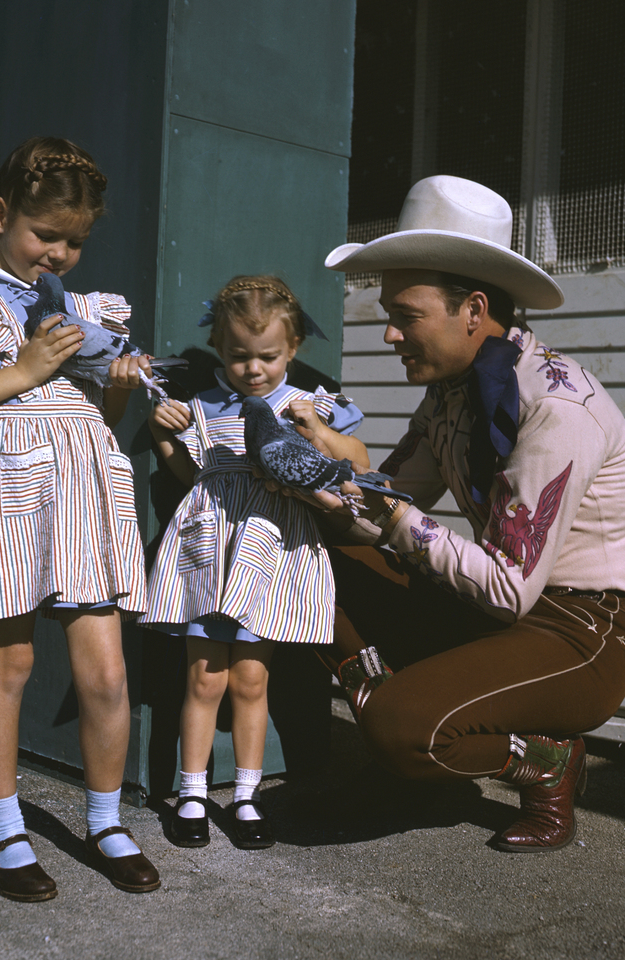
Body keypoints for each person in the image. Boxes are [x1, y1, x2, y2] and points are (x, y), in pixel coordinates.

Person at [311, 175, 625, 852]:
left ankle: (549, 761)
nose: (389, 334)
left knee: (403, 727)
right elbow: (383, 505)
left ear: (474, 309)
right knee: (307, 557)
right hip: (499, 616)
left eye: (406, 315)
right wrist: (315, 479)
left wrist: (395, 519)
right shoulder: (451, 394)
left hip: (579, 636)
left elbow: (504, 586)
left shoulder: (555, 408)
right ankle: (399, 753)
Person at [0, 137, 160, 900]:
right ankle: (3, 826)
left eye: (76, 241)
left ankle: (106, 820)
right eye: (47, 235)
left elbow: (96, 417)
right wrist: (23, 370)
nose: (62, 254)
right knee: (9, 664)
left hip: (80, 480)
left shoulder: (81, 308)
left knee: (106, 674)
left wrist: (113, 386)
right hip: (5, 480)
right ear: (1, 214)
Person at [142, 276, 370, 850]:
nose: (253, 369)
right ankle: (192, 793)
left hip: (272, 552)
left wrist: (316, 429)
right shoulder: (201, 403)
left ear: (292, 350)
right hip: (211, 550)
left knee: (250, 678)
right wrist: (162, 435)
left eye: (268, 356)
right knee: (203, 676)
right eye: (239, 355)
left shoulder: (310, 402)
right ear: (220, 348)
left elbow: (361, 462)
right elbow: (193, 478)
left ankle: (245, 795)